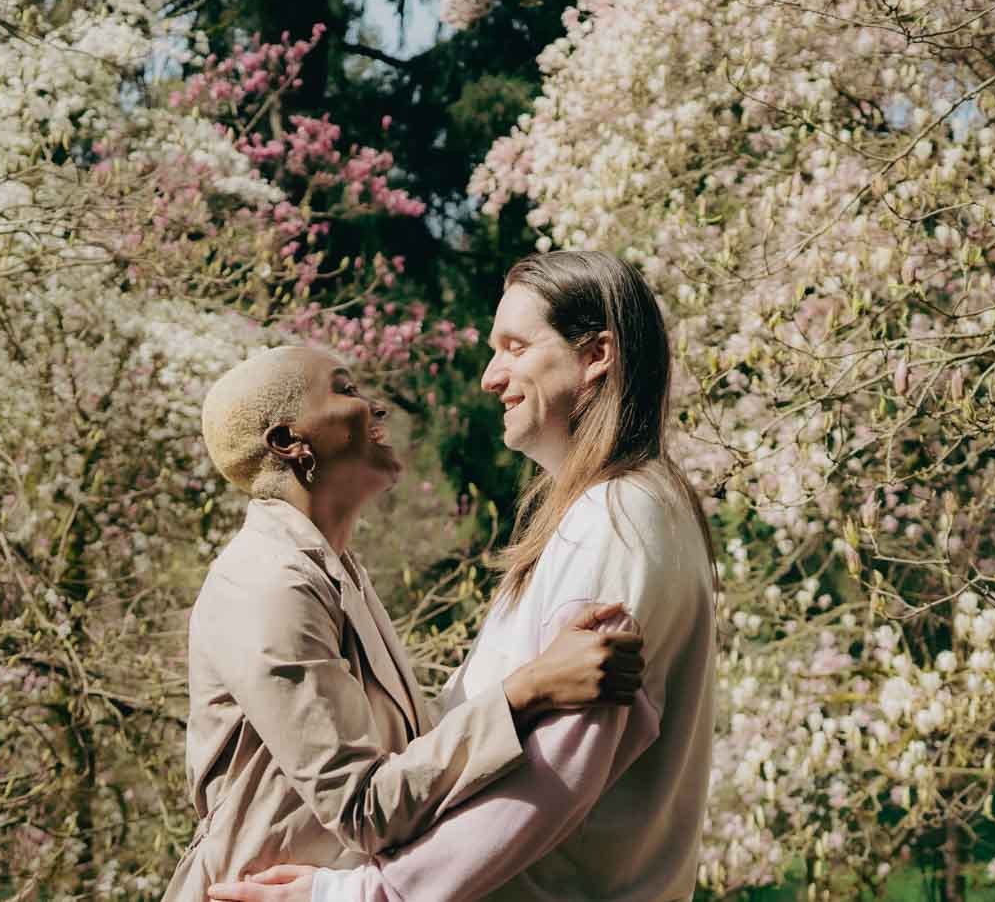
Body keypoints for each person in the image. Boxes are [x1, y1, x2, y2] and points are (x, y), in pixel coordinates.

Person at [209, 250, 717, 902]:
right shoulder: (601, 516)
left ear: (596, 355)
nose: (488, 376)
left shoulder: (618, 516)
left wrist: (365, 893)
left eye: (514, 347)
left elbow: (558, 767)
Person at [164, 345, 647, 902]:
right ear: (287, 443)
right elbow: (363, 808)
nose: (375, 407)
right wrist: (530, 689)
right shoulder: (266, 584)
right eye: (345, 391)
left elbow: (414, 748)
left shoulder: (333, 570)